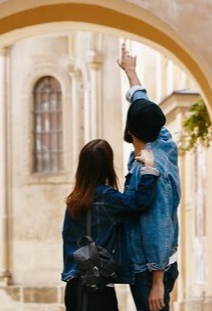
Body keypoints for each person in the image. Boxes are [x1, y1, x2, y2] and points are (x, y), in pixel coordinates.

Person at [61, 138, 160, 311]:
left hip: (73, 287)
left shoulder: (73, 201)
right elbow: (139, 202)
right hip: (97, 288)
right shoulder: (107, 198)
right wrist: (149, 168)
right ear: (107, 166)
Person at [118, 44, 181, 311]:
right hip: (158, 263)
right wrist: (131, 73)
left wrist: (157, 280)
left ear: (130, 129)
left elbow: (158, 223)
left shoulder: (152, 170)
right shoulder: (163, 141)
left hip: (150, 268)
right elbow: (143, 106)